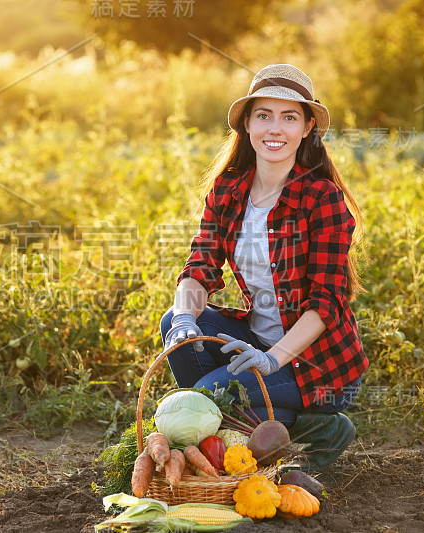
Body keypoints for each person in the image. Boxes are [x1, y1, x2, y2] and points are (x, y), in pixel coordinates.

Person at [160, 64, 368, 472]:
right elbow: (199, 265)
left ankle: (321, 428)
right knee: (174, 321)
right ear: (248, 125)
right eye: (264, 115)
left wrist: (272, 359)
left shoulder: (322, 199)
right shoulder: (228, 190)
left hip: (317, 367)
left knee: (209, 396)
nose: (276, 129)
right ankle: (249, 433)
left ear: (308, 127)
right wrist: (186, 317)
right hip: (255, 337)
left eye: (289, 117)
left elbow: (325, 304)